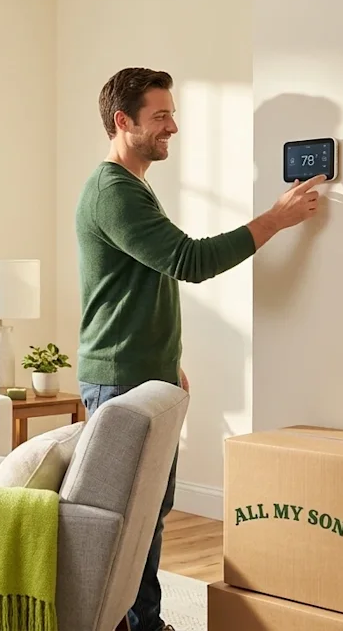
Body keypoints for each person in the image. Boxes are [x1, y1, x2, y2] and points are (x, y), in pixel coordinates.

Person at [75, 67, 323, 631]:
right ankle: (125, 622)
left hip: (144, 372)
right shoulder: (113, 192)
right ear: (123, 121)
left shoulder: (133, 186)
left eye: (172, 113)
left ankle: (144, 621)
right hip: (120, 379)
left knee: (149, 512)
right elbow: (190, 261)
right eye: (160, 116)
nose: (174, 127)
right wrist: (278, 220)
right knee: (125, 514)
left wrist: (167, 362)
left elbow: (141, 283)